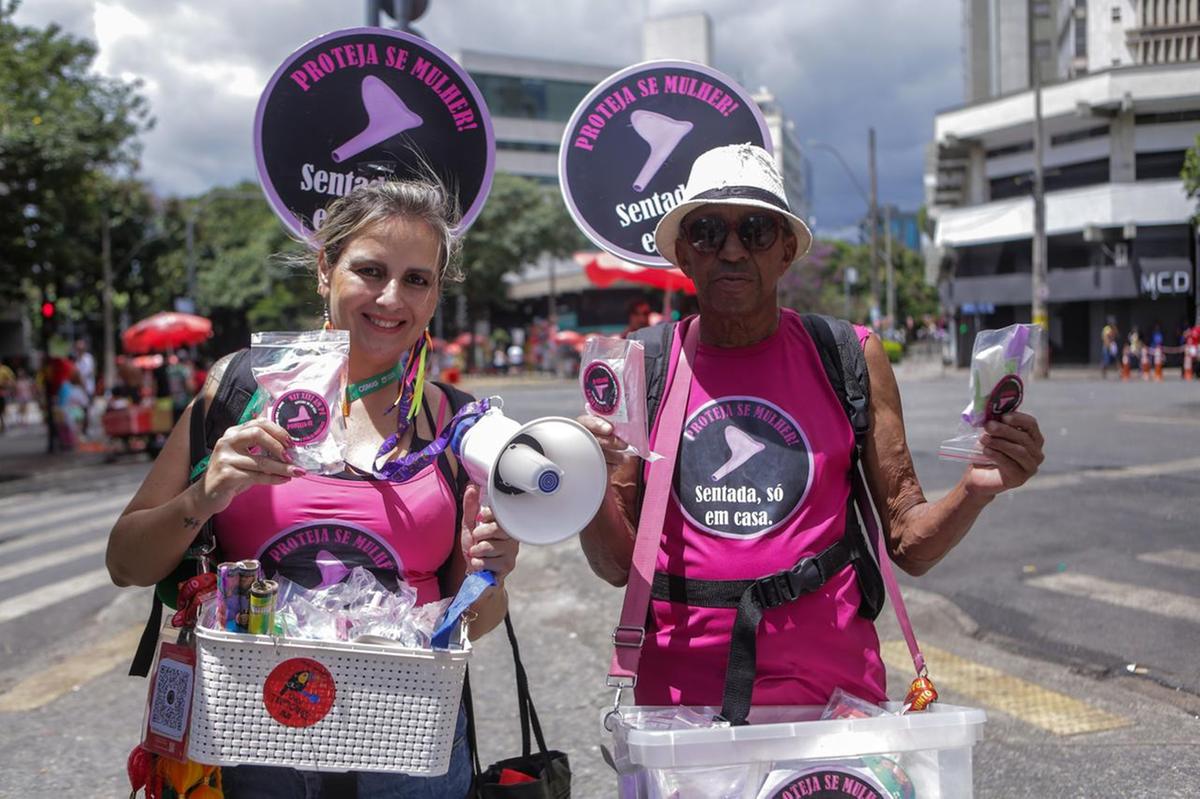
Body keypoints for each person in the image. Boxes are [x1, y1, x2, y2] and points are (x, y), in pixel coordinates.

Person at [577, 144, 1045, 715]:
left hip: (835, 701)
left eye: (755, 231)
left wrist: (975, 490)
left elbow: (908, 541)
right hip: (681, 708)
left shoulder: (848, 355)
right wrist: (588, 482)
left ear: (787, 251)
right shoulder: (641, 364)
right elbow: (616, 566)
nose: (730, 249)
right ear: (682, 254)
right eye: (705, 232)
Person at [106, 179, 519, 798]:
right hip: (251, 742)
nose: (391, 297)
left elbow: (474, 624)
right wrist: (202, 498)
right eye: (370, 270)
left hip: (404, 743)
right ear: (326, 269)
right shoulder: (240, 392)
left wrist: (491, 572)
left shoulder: (460, 427)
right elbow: (125, 563)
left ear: (437, 292)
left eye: (417, 279)